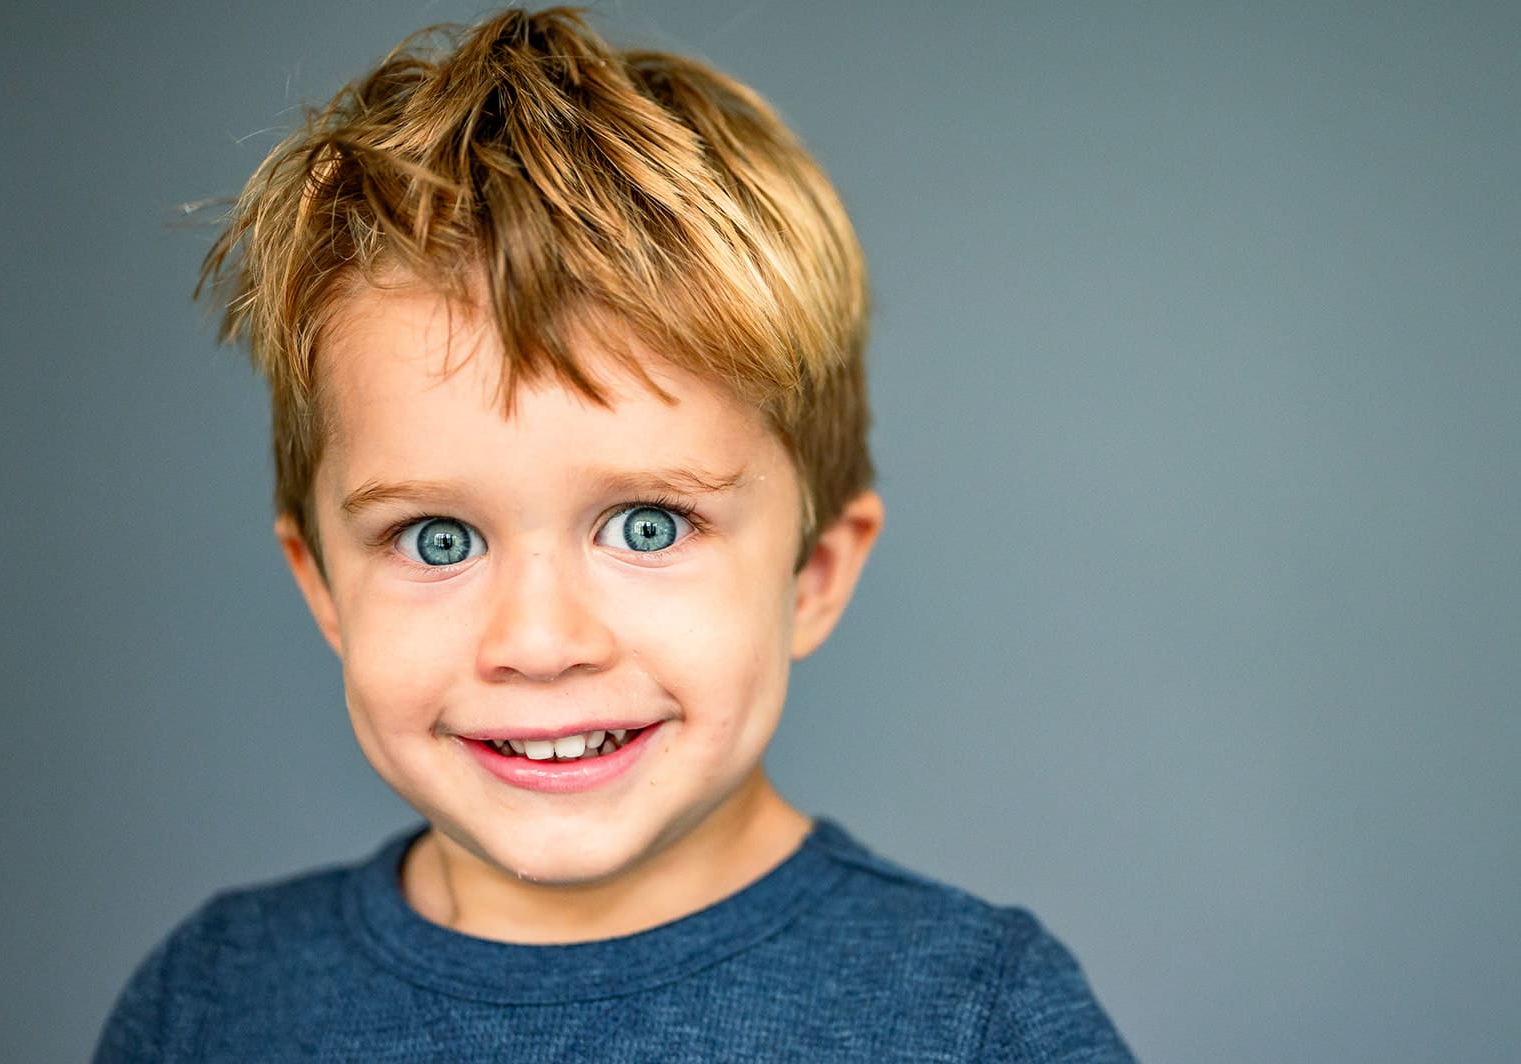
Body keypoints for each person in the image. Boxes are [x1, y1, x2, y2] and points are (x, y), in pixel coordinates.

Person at [95, 8, 1134, 1060]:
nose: (540, 642)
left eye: (647, 524)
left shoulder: (974, 1018)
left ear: (812, 573)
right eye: (438, 539)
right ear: (320, 585)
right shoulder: (214, 1003)